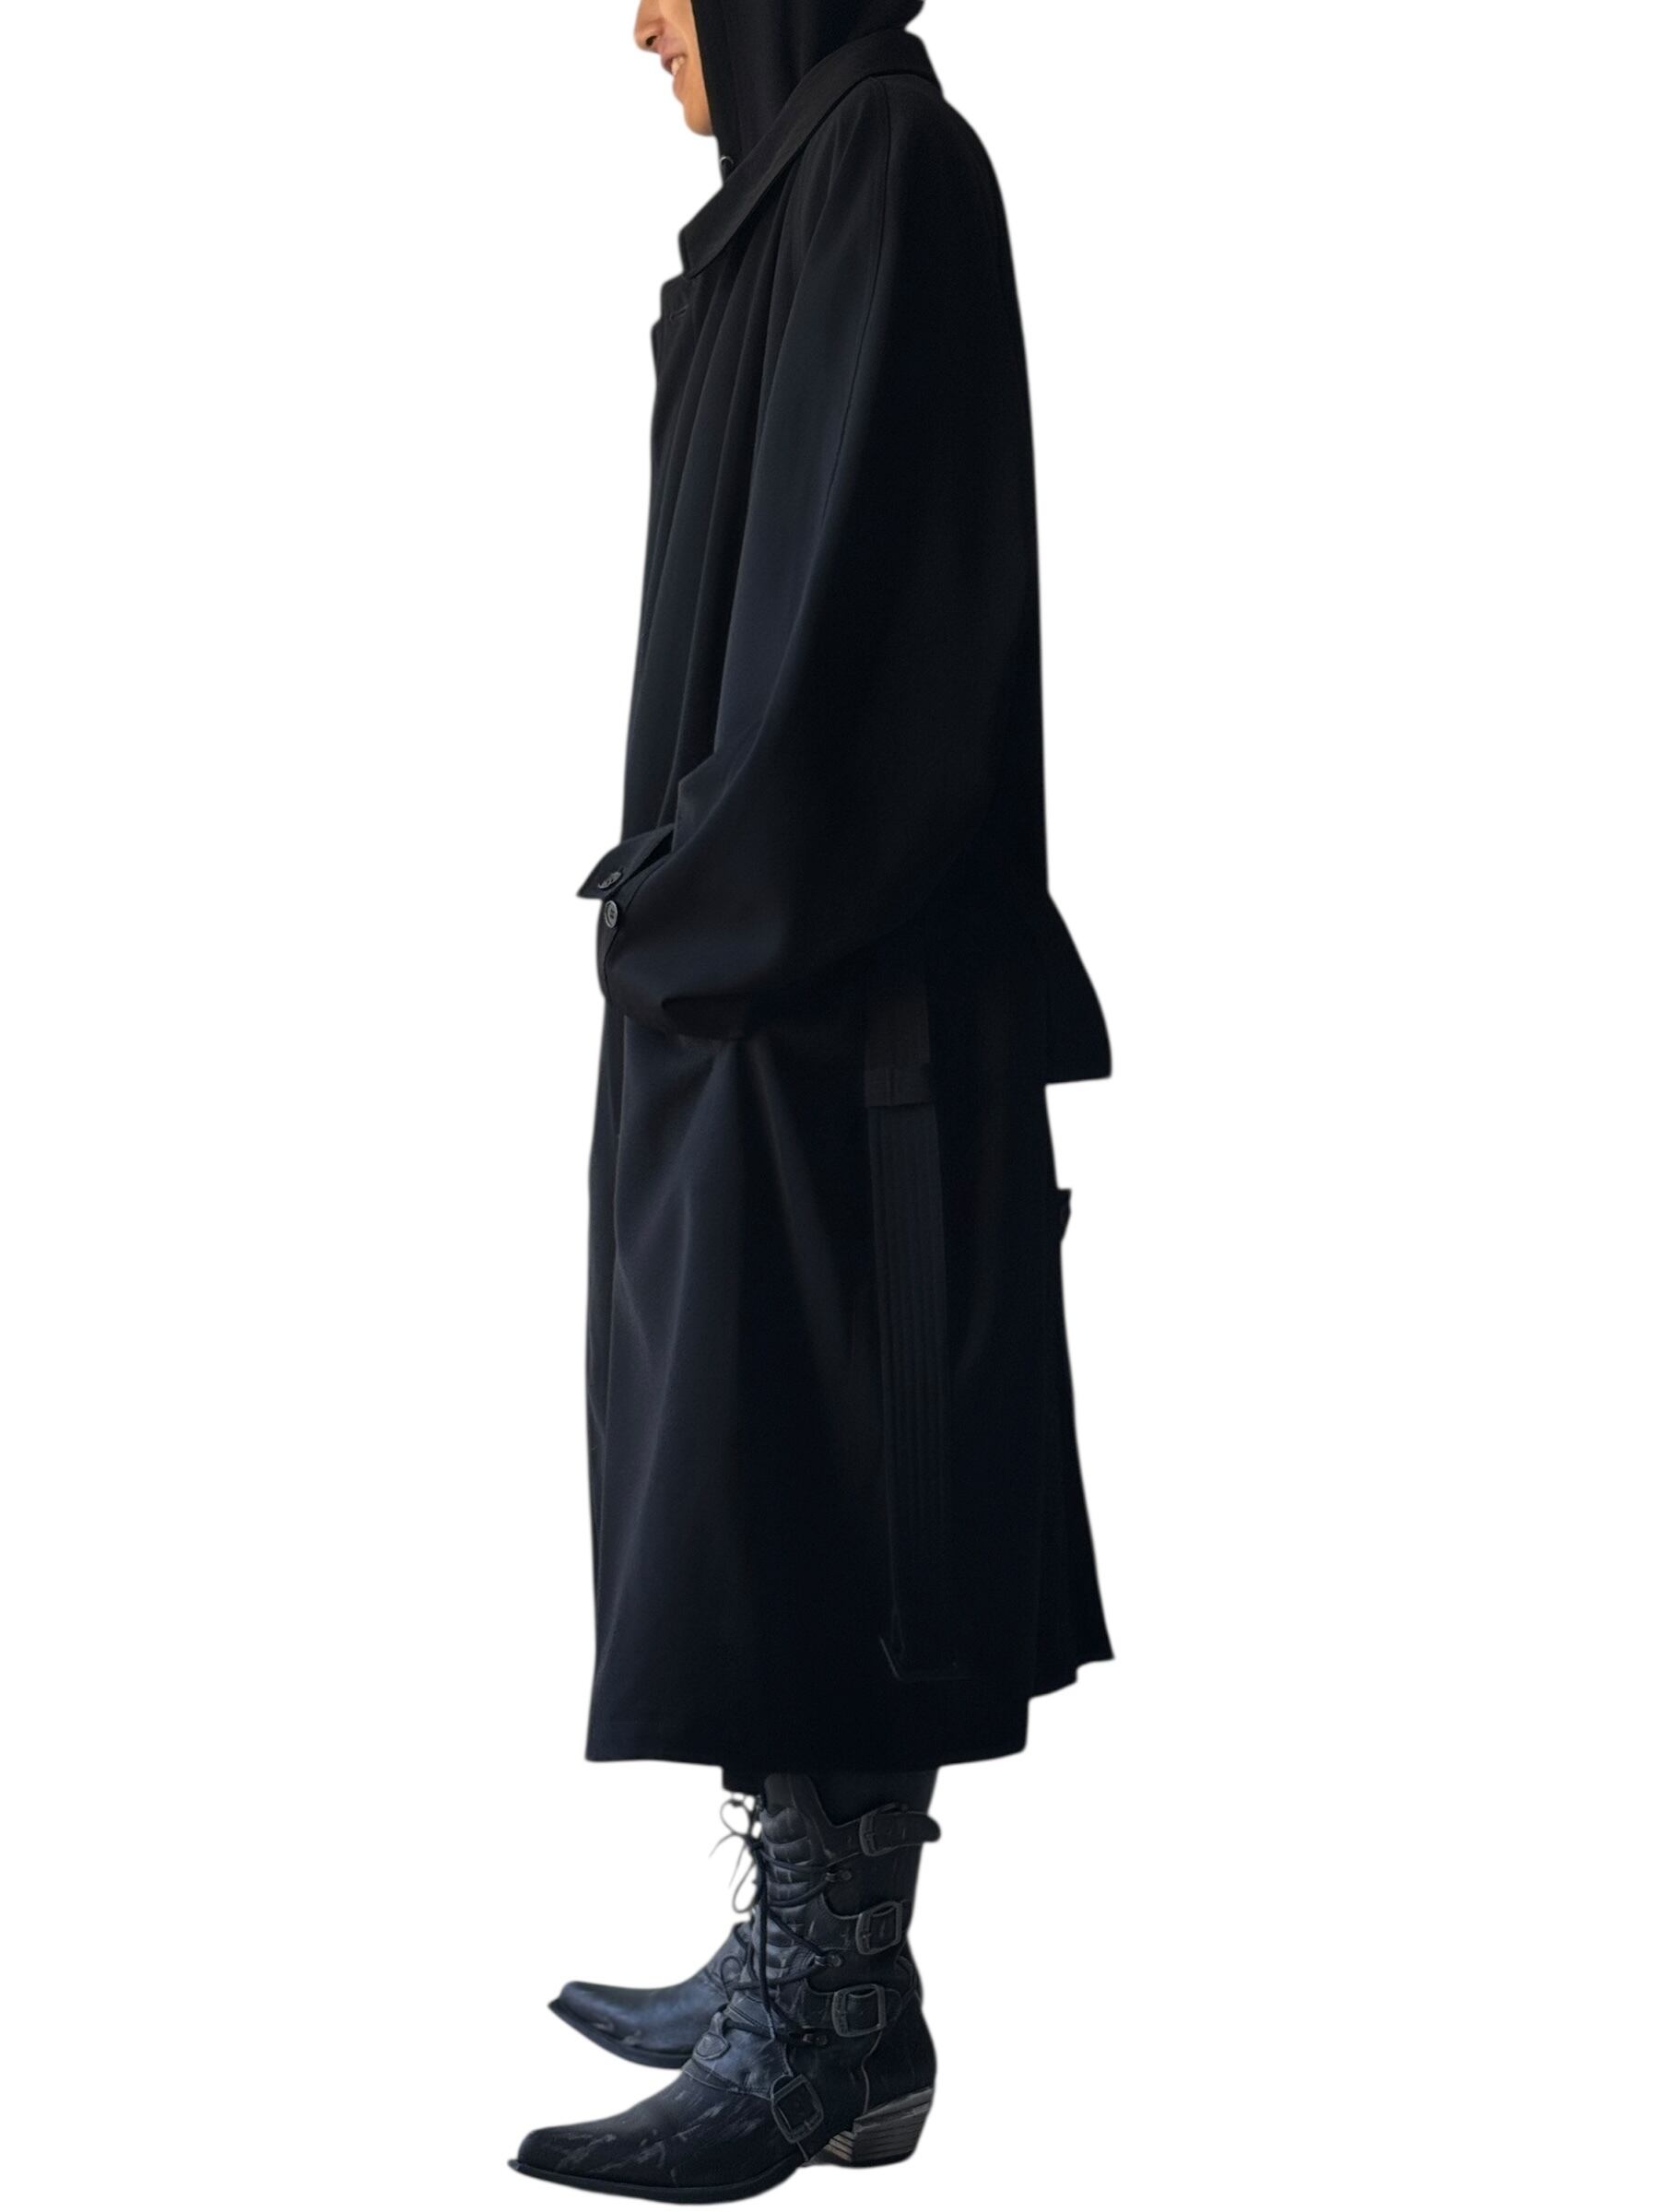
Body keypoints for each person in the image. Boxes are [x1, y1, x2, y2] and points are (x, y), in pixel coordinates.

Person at [512, 2, 1113, 2196]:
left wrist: (701, 900)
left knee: (838, 1475)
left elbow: (877, 630)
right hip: (764, 970)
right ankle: (814, 1952)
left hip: (839, 993)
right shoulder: (802, 191)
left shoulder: (884, 168)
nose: (638, 19)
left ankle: (835, 2013)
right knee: (746, 1458)